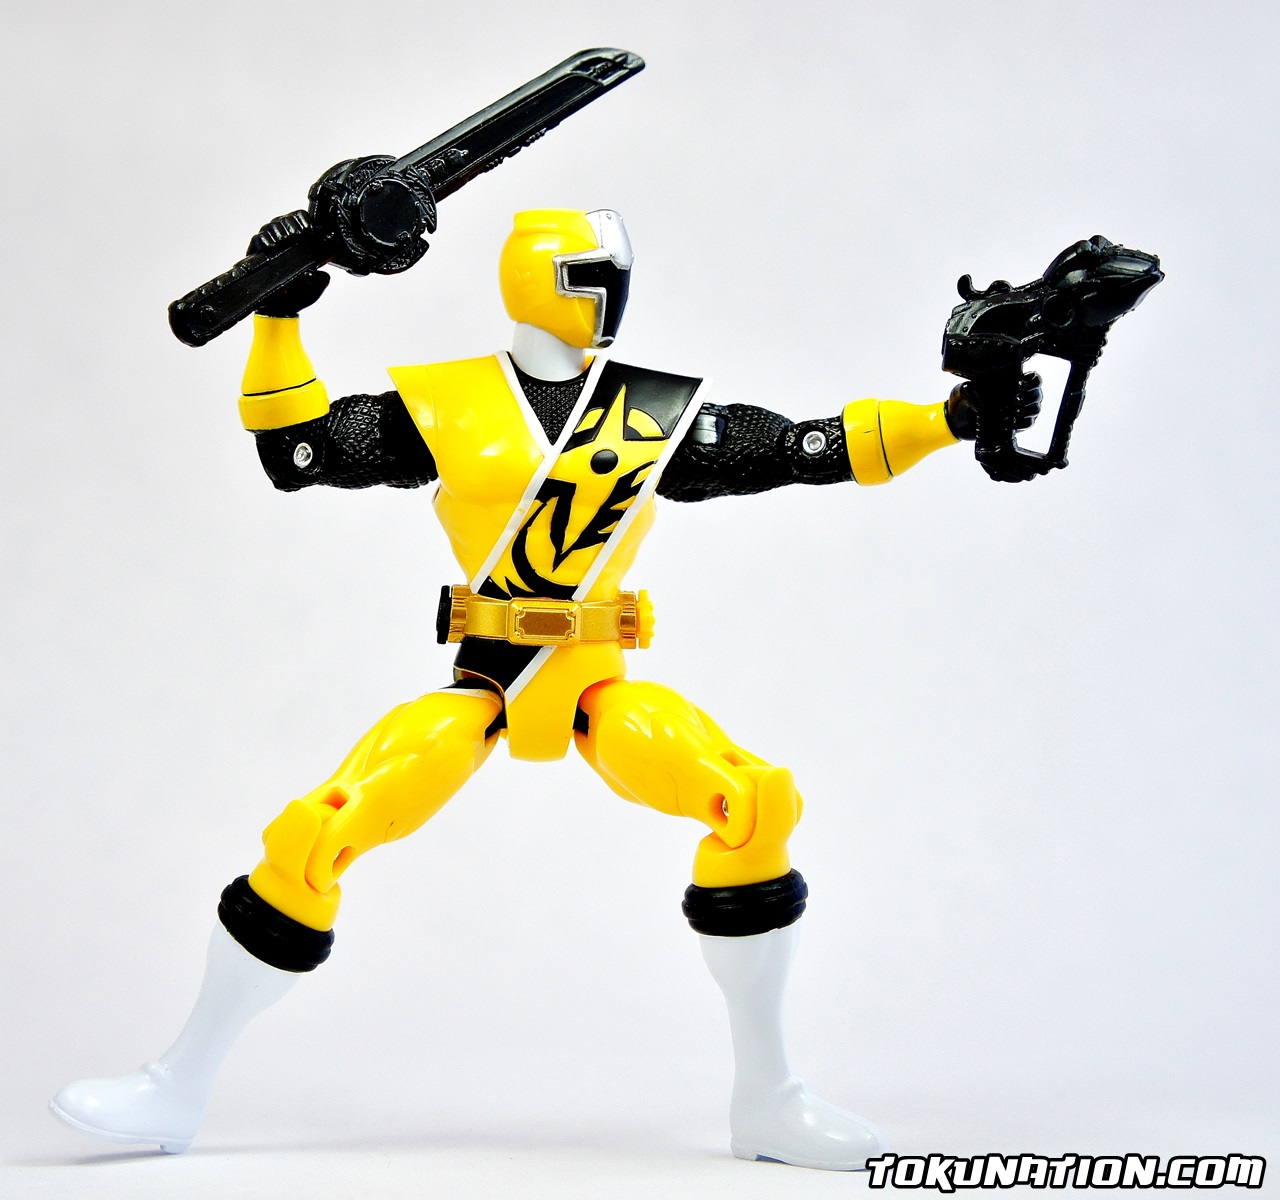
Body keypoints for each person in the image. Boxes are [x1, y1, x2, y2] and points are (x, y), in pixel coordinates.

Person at [51, 207, 1038, 1169]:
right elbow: (299, 451)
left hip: (599, 682)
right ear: (542, 282)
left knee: (752, 803)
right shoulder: (446, 403)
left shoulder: (648, 409)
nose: (610, 298)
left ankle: (769, 1098)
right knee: (315, 833)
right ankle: (175, 1083)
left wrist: (950, 420)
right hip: (486, 677)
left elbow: (797, 449)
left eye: (617, 281)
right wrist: (276, 312)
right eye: (593, 279)